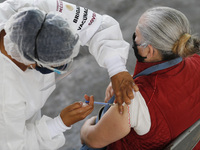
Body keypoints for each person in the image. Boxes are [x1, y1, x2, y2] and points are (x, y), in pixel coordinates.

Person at [0, 0, 138, 150]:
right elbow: (12, 145)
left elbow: (97, 26)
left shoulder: (32, 12)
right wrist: (60, 123)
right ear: (32, 63)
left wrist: (117, 69)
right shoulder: (7, 95)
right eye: (57, 65)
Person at [80, 6, 200, 150]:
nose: (133, 38)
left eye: (136, 35)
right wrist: (132, 78)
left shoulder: (135, 99)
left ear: (149, 51)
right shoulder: (196, 59)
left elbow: (93, 140)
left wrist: (88, 123)